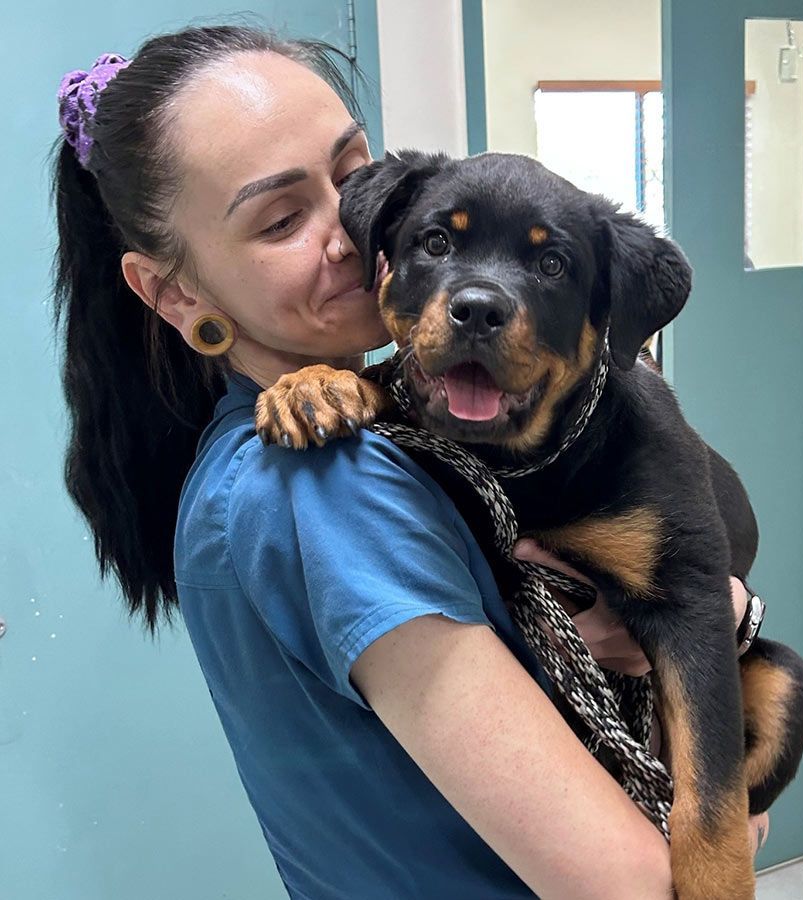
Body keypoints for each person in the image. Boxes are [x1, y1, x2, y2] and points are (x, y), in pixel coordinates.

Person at [52, 24, 766, 900]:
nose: (352, 236)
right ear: (173, 291)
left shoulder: (289, 442)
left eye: (352, 177)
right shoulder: (325, 481)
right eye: (281, 219)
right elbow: (626, 886)